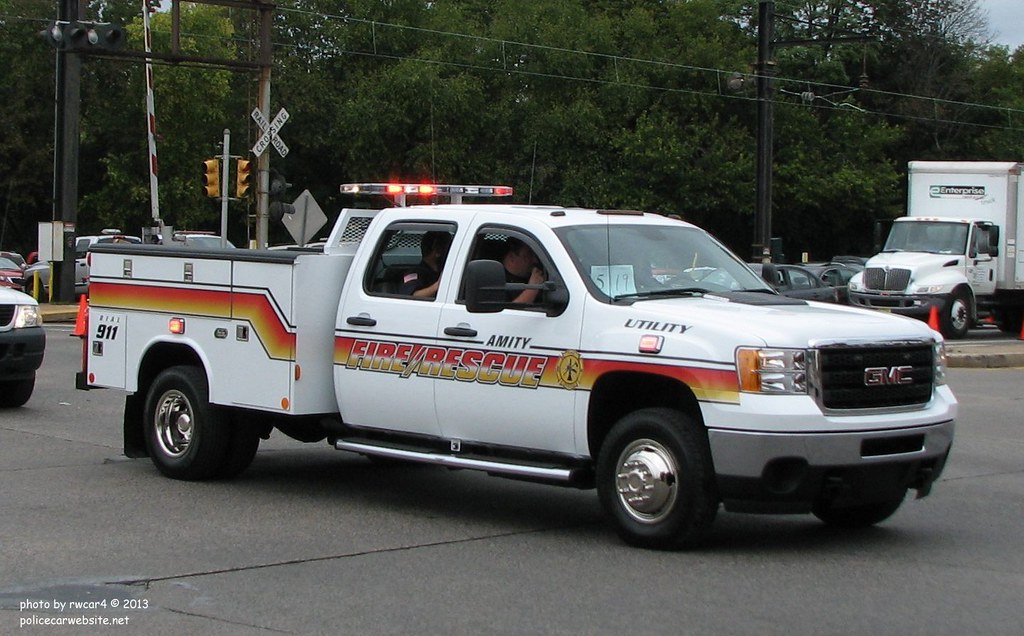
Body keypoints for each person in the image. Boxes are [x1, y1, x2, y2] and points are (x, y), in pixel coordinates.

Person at [399, 231, 452, 298]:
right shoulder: (413, 273)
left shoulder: (446, 270)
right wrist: (438, 285)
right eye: (447, 249)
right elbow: (411, 296)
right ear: (437, 251)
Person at [501, 237, 545, 303]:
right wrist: (532, 289)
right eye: (529, 255)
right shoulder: (497, 282)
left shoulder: (529, 277)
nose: (535, 260)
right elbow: (509, 312)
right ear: (511, 257)